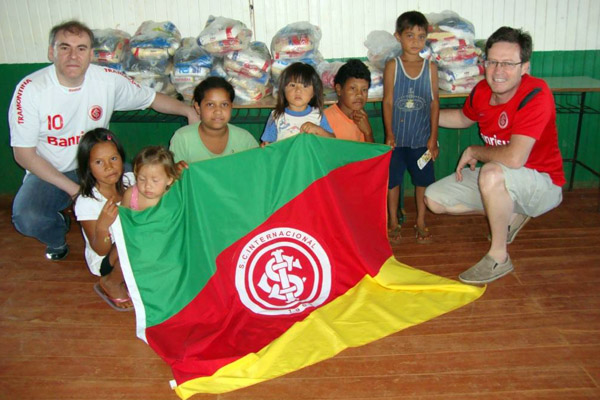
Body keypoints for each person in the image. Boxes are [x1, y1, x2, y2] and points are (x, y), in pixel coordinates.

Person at [8, 20, 198, 261]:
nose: (73, 56)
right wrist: (76, 191)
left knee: (150, 186)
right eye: (64, 47)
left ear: (91, 54)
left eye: (81, 48)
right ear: (51, 52)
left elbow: (150, 98)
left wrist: (187, 111)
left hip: (100, 164)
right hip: (50, 171)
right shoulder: (31, 90)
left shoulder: (107, 79)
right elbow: (23, 155)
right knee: (26, 217)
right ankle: (58, 234)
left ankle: (140, 245)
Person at [424, 27, 565, 285]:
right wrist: (424, 117)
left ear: (525, 67)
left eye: (508, 63)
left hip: (542, 183)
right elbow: (463, 118)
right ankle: (510, 213)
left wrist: (474, 151)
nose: (498, 71)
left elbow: (514, 159)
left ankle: (499, 256)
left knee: (491, 172)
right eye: (492, 62)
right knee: (433, 200)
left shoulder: (536, 94)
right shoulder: (481, 90)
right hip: (503, 175)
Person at [383, 11, 440, 243]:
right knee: (392, 181)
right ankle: (393, 222)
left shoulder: (430, 68)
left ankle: (421, 221)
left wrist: (433, 139)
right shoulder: (393, 66)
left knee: (422, 182)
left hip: (421, 139)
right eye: (410, 35)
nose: (415, 41)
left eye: (421, 36)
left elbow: (434, 104)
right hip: (396, 139)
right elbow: (388, 101)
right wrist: (389, 134)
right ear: (398, 36)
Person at [73, 129, 134, 311]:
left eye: (113, 158)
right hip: (106, 260)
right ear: (88, 167)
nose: (109, 167)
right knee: (135, 241)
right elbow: (100, 249)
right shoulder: (87, 202)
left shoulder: (131, 180)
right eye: (99, 162)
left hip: (134, 245)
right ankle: (111, 282)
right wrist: (102, 225)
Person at [169, 77, 258, 163]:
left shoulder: (244, 139)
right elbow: (173, 172)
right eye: (210, 104)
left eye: (224, 104)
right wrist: (177, 169)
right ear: (198, 108)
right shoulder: (183, 139)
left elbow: (258, 166)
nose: (218, 111)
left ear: (231, 107)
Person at [261, 62, 333, 144]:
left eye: (305, 86)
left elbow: (333, 141)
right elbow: (267, 145)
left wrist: (319, 130)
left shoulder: (318, 115)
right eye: (292, 85)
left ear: (313, 92)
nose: (298, 90)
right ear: (284, 89)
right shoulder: (276, 116)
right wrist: (265, 145)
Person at [324, 59, 374, 143]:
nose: (359, 94)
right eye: (353, 88)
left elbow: (372, 150)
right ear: (339, 89)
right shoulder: (325, 119)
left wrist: (368, 133)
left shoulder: (362, 117)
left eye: (364, 89)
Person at [121, 146, 179, 211]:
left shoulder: (172, 198)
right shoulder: (130, 195)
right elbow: (123, 215)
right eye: (142, 179)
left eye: (155, 180)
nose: (147, 186)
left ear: (169, 180)